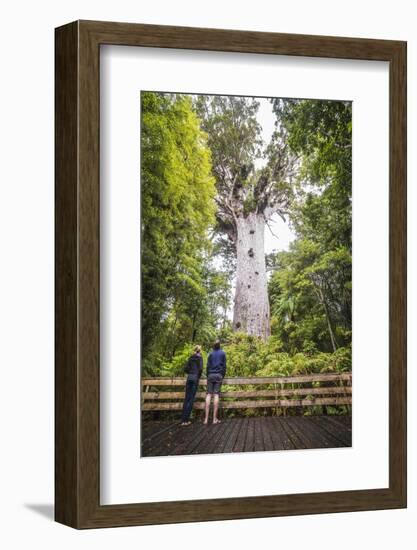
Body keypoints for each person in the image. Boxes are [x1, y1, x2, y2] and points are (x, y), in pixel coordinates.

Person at [204, 340, 226, 425]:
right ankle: (214, 419)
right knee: (216, 395)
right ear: (219, 346)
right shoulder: (223, 353)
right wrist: (222, 375)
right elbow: (224, 366)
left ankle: (206, 419)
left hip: (210, 375)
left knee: (209, 394)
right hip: (218, 375)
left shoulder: (210, 354)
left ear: (213, 346)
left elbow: (207, 366)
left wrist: (208, 375)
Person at [181, 345, 203, 426]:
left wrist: (190, 373)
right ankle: (186, 420)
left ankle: (183, 420)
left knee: (186, 398)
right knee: (191, 399)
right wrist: (198, 376)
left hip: (189, 378)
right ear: (200, 351)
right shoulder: (200, 357)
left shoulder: (190, 357)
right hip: (195, 378)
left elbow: (185, 369)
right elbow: (201, 369)